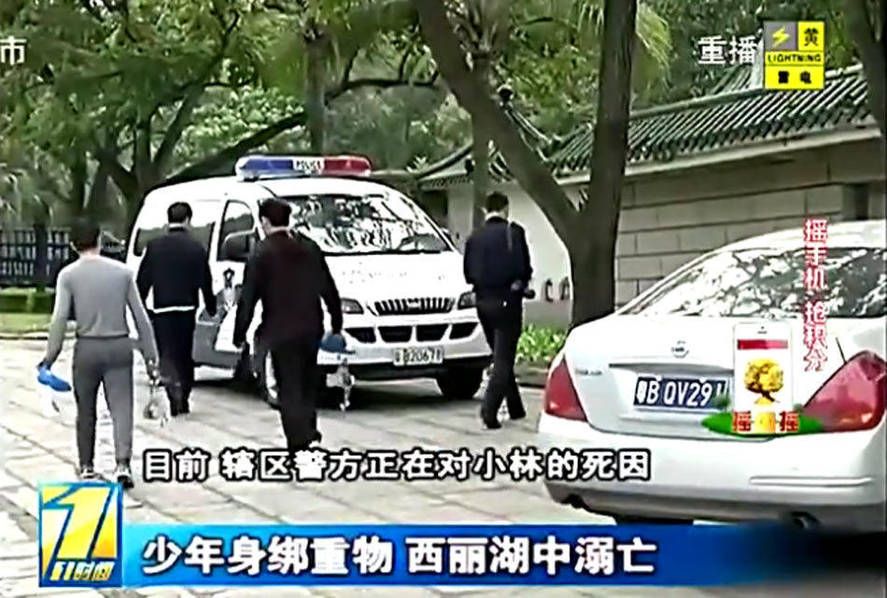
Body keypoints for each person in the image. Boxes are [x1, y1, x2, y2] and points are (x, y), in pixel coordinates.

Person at [39, 218, 159, 487]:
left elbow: (59, 319)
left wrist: (50, 357)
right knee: (121, 407)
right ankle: (122, 464)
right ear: (100, 240)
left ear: (73, 245)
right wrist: (151, 358)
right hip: (119, 345)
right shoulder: (123, 273)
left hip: (87, 347)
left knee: (86, 409)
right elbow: (141, 318)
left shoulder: (68, 275)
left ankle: (87, 466)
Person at [232, 198, 343, 455]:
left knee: (289, 387)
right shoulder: (309, 247)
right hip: (311, 326)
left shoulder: (261, 253)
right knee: (307, 383)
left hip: (280, 330)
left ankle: (298, 441)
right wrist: (336, 321)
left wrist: (240, 333)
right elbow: (328, 287)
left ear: (264, 221)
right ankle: (310, 432)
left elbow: (248, 298)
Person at [136, 202, 217, 416]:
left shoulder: (154, 247)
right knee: (184, 353)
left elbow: (143, 280)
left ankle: (173, 393)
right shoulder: (196, 247)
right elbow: (205, 279)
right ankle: (184, 394)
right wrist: (211, 306)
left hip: (162, 309)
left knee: (167, 353)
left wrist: (141, 306)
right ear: (188, 220)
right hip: (187, 308)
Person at [463, 191, 533, 429]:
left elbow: (468, 274)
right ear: (506, 208)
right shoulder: (513, 232)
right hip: (507, 302)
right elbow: (524, 268)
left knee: (500, 354)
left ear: (485, 210)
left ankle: (515, 407)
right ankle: (489, 410)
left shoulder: (474, 237)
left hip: (482, 303)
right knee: (504, 358)